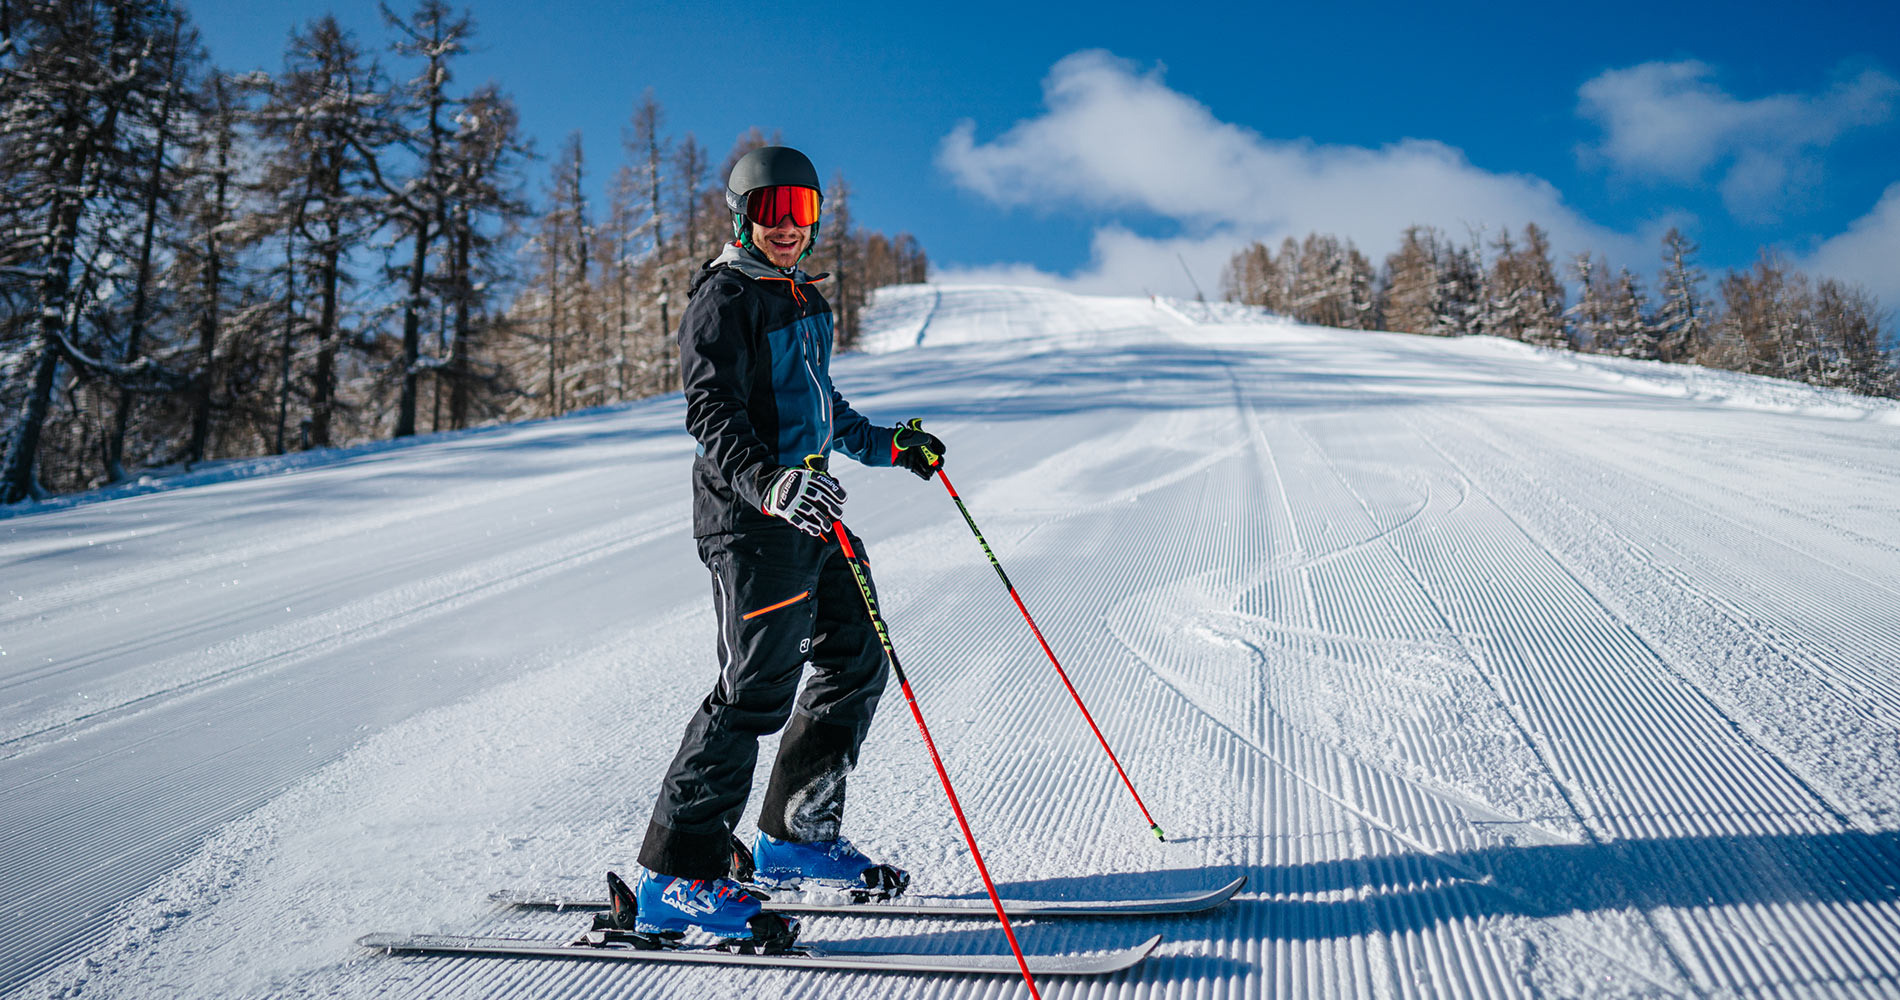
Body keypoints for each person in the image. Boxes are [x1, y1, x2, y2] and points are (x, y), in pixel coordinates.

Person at [629, 145, 946, 944]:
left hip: (816, 511)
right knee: (753, 693)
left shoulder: (803, 299)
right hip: (753, 519)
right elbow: (712, 414)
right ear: (741, 217)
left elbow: (822, 407)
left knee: (856, 660)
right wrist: (769, 483)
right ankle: (677, 876)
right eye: (770, 213)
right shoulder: (725, 295)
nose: (786, 228)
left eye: (800, 213)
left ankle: (795, 836)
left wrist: (888, 446)